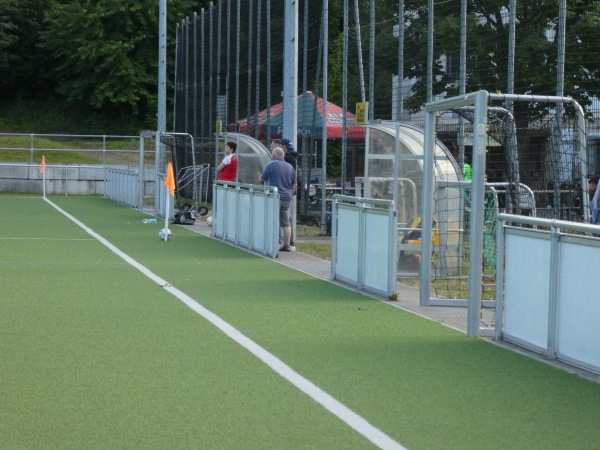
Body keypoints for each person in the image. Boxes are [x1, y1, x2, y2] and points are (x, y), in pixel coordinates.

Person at [259, 146, 297, 251]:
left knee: (272, 219)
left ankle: (272, 242)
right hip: (287, 197)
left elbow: (261, 179)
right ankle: (287, 244)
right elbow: (294, 184)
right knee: (285, 222)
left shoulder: (271, 165)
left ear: (274, 155)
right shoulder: (290, 167)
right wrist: (290, 193)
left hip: (275, 197)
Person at [279, 137, 300, 248]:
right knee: (287, 217)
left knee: (286, 218)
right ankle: (288, 241)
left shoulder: (288, 158)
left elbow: (289, 175)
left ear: (284, 147)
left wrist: (291, 191)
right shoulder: (293, 157)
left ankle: (287, 241)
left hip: (286, 190)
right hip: (289, 190)